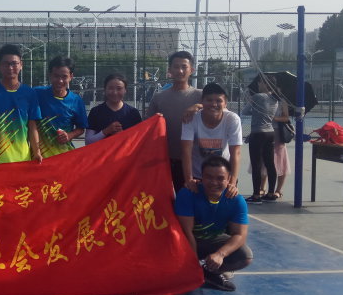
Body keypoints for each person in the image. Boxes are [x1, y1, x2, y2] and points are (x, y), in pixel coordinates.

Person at [175, 155, 253, 292]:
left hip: (211, 240)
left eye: (220, 178)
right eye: (209, 177)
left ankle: (209, 273)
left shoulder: (236, 200)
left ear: (229, 179)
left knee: (244, 256)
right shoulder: (188, 193)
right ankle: (191, 270)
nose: (214, 182)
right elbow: (187, 233)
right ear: (201, 177)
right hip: (185, 242)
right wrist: (192, 265)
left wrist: (220, 254)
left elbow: (240, 235)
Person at [146, 51, 203, 191]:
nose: (180, 71)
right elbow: (147, 128)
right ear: (169, 70)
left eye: (184, 67)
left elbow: (221, 109)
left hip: (194, 163)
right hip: (165, 161)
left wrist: (199, 106)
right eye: (176, 67)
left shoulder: (201, 96)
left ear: (192, 70)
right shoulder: (158, 97)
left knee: (190, 200)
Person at [180, 82, 242, 195]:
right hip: (198, 176)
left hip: (222, 177)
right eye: (209, 100)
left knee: (224, 205)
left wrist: (232, 182)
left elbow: (236, 152)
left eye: (218, 100)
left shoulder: (232, 119)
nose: (214, 104)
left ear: (225, 103)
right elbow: (186, 151)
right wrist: (189, 179)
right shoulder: (191, 118)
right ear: (202, 101)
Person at [34, 55, 88, 159]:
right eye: (56, 76)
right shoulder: (37, 93)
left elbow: (81, 128)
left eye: (64, 77)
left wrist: (69, 135)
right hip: (39, 157)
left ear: (71, 76)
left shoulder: (76, 101)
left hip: (64, 158)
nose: (60, 81)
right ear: (50, 75)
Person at [244, 76, 281, 203]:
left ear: (265, 83)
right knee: (270, 163)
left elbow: (245, 111)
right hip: (270, 132)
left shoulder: (258, 96)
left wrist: (252, 104)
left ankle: (256, 195)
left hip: (258, 133)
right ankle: (271, 193)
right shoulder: (275, 98)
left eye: (260, 82)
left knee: (256, 165)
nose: (258, 84)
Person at [85, 73, 142, 145]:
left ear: (125, 90)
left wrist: (122, 135)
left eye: (119, 88)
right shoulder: (95, 112)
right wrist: (106, 131)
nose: (115, 92)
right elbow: (88, 142)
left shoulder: (133, 113)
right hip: (103, 152)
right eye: (110, 88)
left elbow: (139, 141)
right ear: (105, 89)